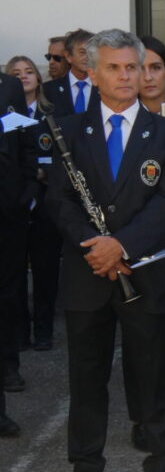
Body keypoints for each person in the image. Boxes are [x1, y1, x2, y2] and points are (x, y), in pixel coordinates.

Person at [46, 28, 165, 472]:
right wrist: (97, 248)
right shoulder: (68, 130)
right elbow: (59, 201)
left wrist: (121, 244)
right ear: (92, 71)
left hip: (143, 272)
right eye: (115, 67)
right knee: (86, 379)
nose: (128, 76)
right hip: (88, 273)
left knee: (154, 376)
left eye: (135, 66)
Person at [7, 56, 60, 351]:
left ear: (38, 79)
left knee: (46, 269)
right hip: (16, 199)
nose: (24, 77)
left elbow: (65, 155)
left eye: (29, 72)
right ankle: (19, 330)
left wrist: (43, 172)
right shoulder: (6, 114)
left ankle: (44, 330)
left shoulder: (52, 112)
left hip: (46, 200)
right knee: (15, 270)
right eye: (16, 73)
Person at [0, 70, 36, 400]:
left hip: (8, 210)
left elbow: (24, 139)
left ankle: (9, 364)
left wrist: (25, 192)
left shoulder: (9, 85)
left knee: (9, 291)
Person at [42, 28, 97, 117]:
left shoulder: (104, 88)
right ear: (68, 56)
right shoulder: (49, 89)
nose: (88, 57)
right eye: (82, 52)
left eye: (91, 52)